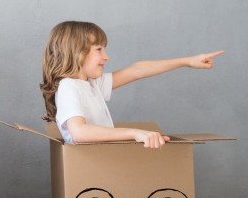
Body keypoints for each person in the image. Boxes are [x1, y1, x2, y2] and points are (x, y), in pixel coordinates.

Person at [39, 21, 223, 148]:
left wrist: (188, 61)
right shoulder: (69, 87)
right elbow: (79, 133)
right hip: (89, 164)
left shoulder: (90, 84)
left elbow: (137, 70)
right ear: (76, 52)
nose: (106, 56)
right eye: (99, 49)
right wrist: (135, 133)